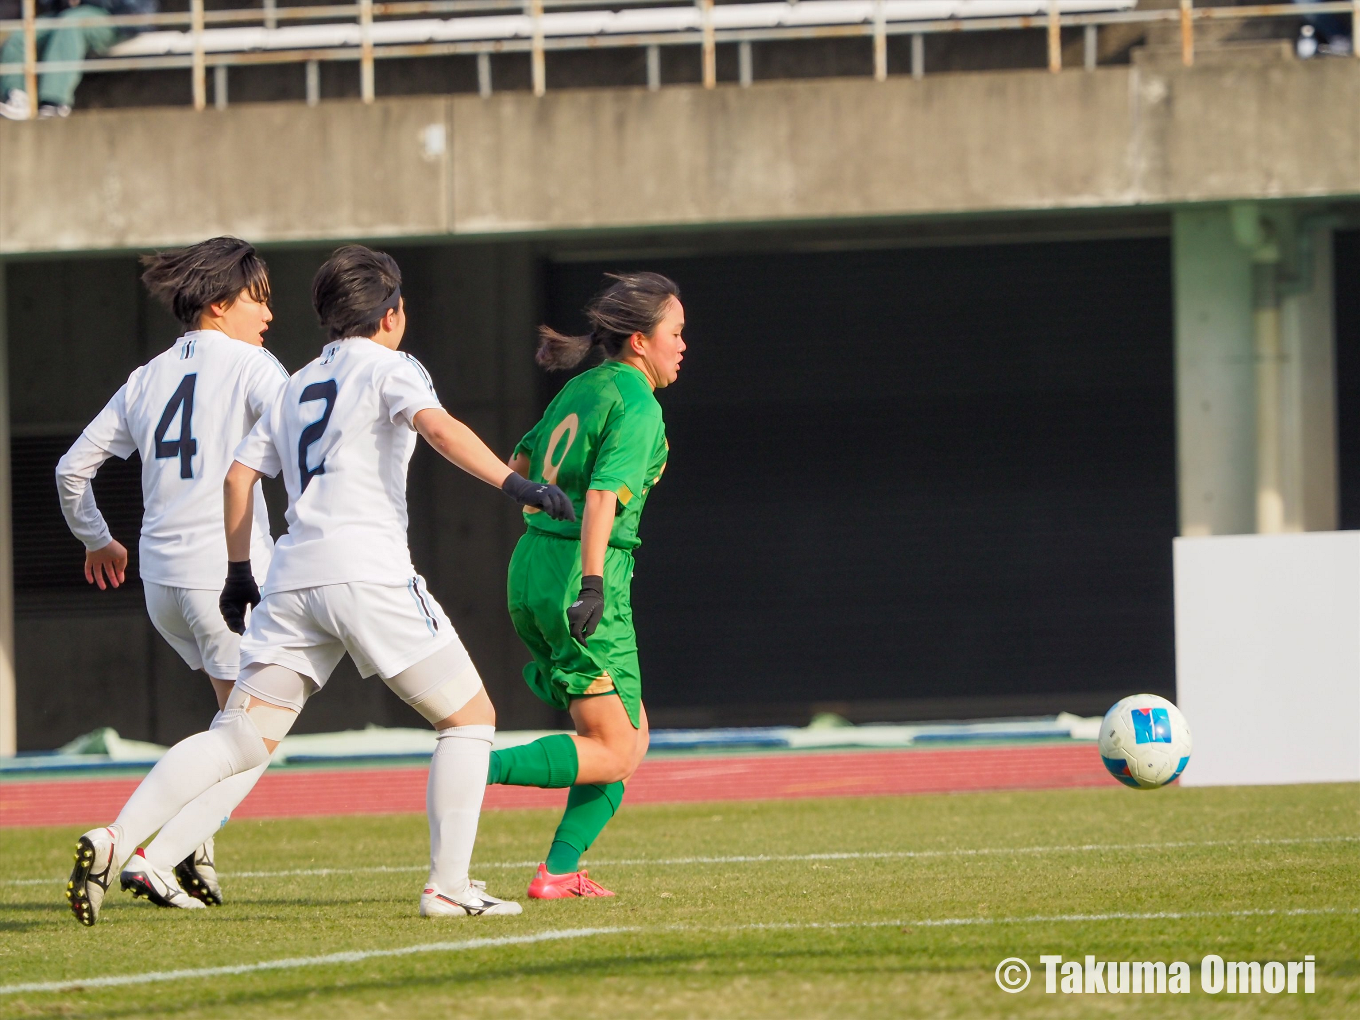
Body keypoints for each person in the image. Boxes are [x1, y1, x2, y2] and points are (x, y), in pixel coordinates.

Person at [65, 244, 575, 925]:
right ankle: (449, 887)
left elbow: (239, 476)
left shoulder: (299, 380)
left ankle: (116, 837)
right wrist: (517, 485)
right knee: (469, 720)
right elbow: (438, 428)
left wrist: (240, 574)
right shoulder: (391, 366)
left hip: (291, 583)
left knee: (240, 737)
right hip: (367, 574)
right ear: (391, 314)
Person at [57, 236, 287, 918]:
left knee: (233, 727)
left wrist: (97, 539)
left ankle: (193, 850)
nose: (268, 314)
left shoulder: (146, 376)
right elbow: (306, 441)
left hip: (162, 582)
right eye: (257, 299)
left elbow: (71, 471)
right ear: (218, 304)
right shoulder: (253, 366)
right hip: (227, 578)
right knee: (252, 740)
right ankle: (135, 850)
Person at [488, 272, 684, 899]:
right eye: (675, 333)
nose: (683, 345)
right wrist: (593, 583)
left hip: (533, 563)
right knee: (618, 750)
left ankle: (559, 870)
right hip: (583, 572)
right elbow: (602, 497)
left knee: (631, 736)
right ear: (639, 341)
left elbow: (519, 465)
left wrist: (549, 526)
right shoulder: (638, 402)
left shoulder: (581, 387)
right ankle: (472, 766)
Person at [0, 0, 116, 119]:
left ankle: (54, 104)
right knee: (20, 37)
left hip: (111, 15)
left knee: (70, 26)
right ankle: (18, 99)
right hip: (65, 13)